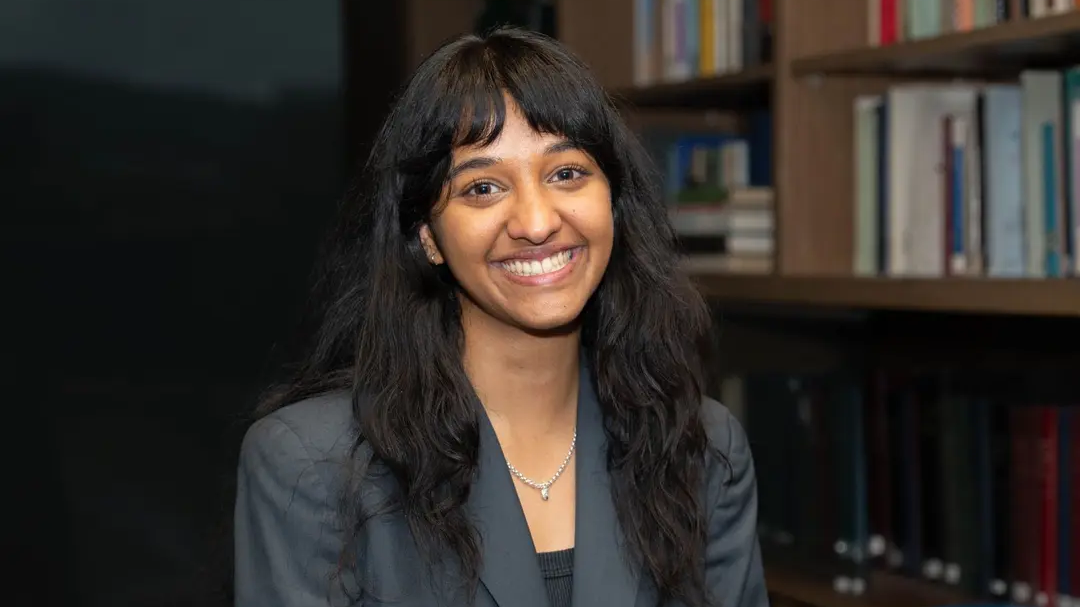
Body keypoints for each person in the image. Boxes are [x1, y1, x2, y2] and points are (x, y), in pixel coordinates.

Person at [234, 26, 768, 607]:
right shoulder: (314, 467)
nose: (536, 222)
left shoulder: (702, 450)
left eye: (566, 173)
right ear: (428, 237)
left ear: (612, 202)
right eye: (483, 187)